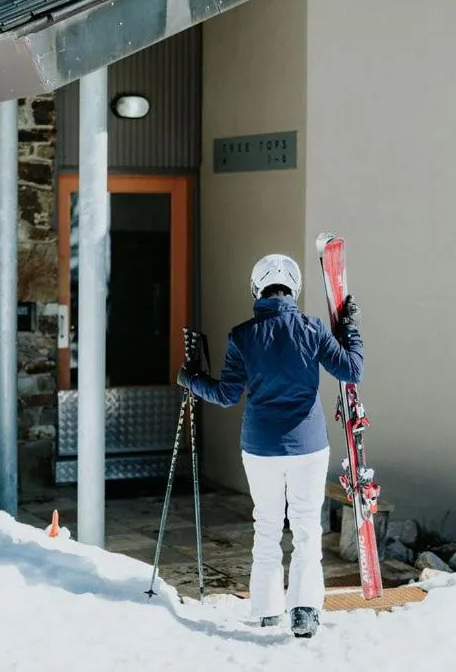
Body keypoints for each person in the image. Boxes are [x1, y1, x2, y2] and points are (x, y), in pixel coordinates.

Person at [176, 253, 363, 638]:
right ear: (294, 288)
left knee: (267, 525)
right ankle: (305, 611)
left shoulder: (242, 335)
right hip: (309, 446)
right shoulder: (312, 329)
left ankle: (265, 611)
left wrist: (190, 379)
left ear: (256, 289)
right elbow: (351, 369)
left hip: (260, 447)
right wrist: (349, 328)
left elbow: (228, 394)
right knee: (307, 527)